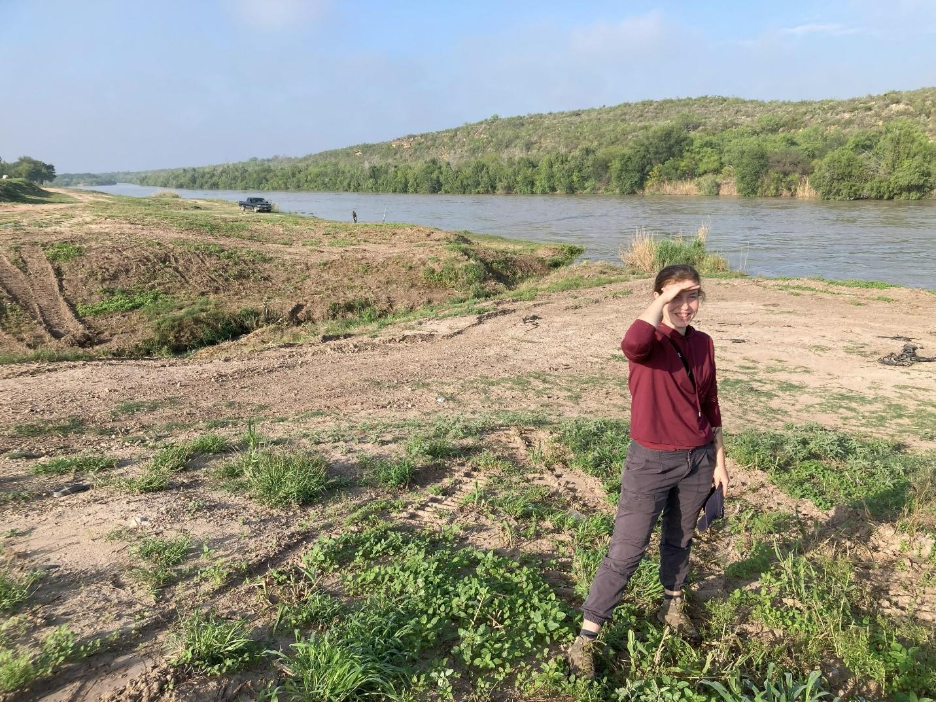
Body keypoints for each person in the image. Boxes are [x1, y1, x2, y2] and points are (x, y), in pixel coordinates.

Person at [567, 264, 729, 680]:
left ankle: (673, 604)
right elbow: (631, 341)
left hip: (698, 460)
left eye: (693, 296)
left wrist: (720, 460)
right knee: (627, 550)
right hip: (651, 462)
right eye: (676, 297)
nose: (686, 306)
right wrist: (662, 298)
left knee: (680, 539)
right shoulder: (649, 342)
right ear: (659, 297)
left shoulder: (705, 343)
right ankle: (586, 637)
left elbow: (709, 402)